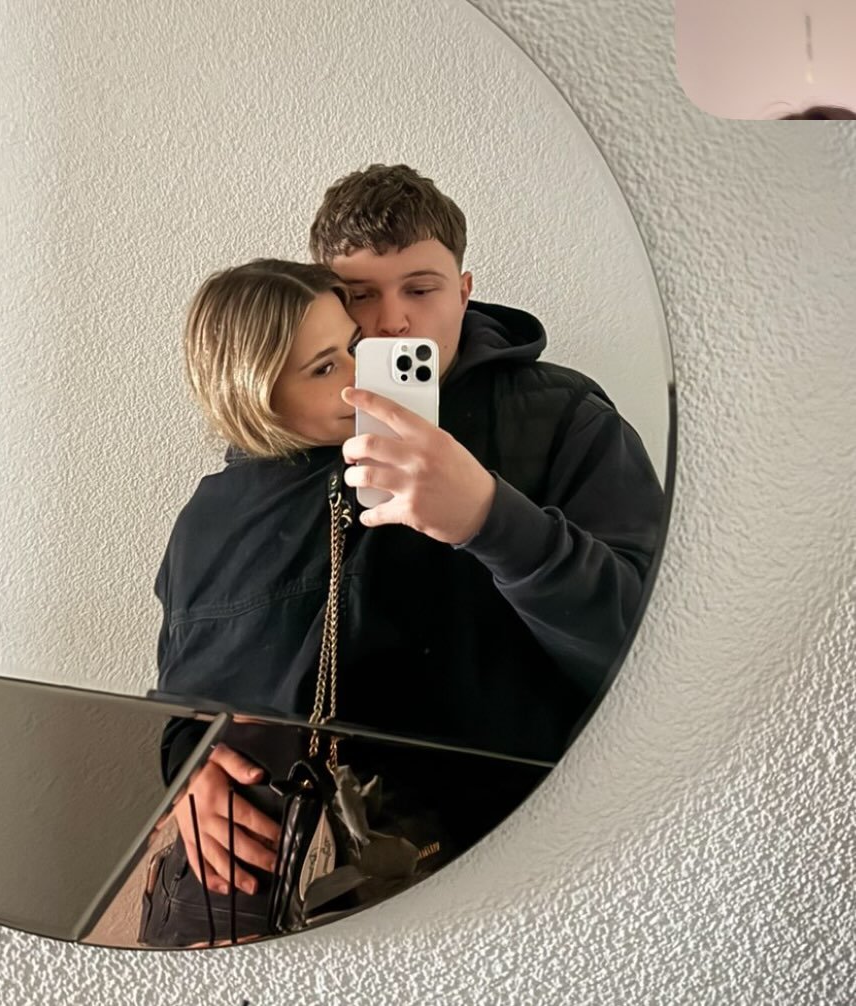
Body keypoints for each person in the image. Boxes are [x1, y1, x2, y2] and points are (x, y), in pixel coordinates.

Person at [152, 165, 666, 924]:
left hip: (497, 869)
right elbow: (188, 685)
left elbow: (651, 652)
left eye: (420, 288)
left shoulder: (564, 419)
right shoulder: (241, 486)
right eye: (360, 295)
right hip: (262, 886)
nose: (391, 323)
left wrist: (492, 517)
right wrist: (187, 769)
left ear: (464, 291)